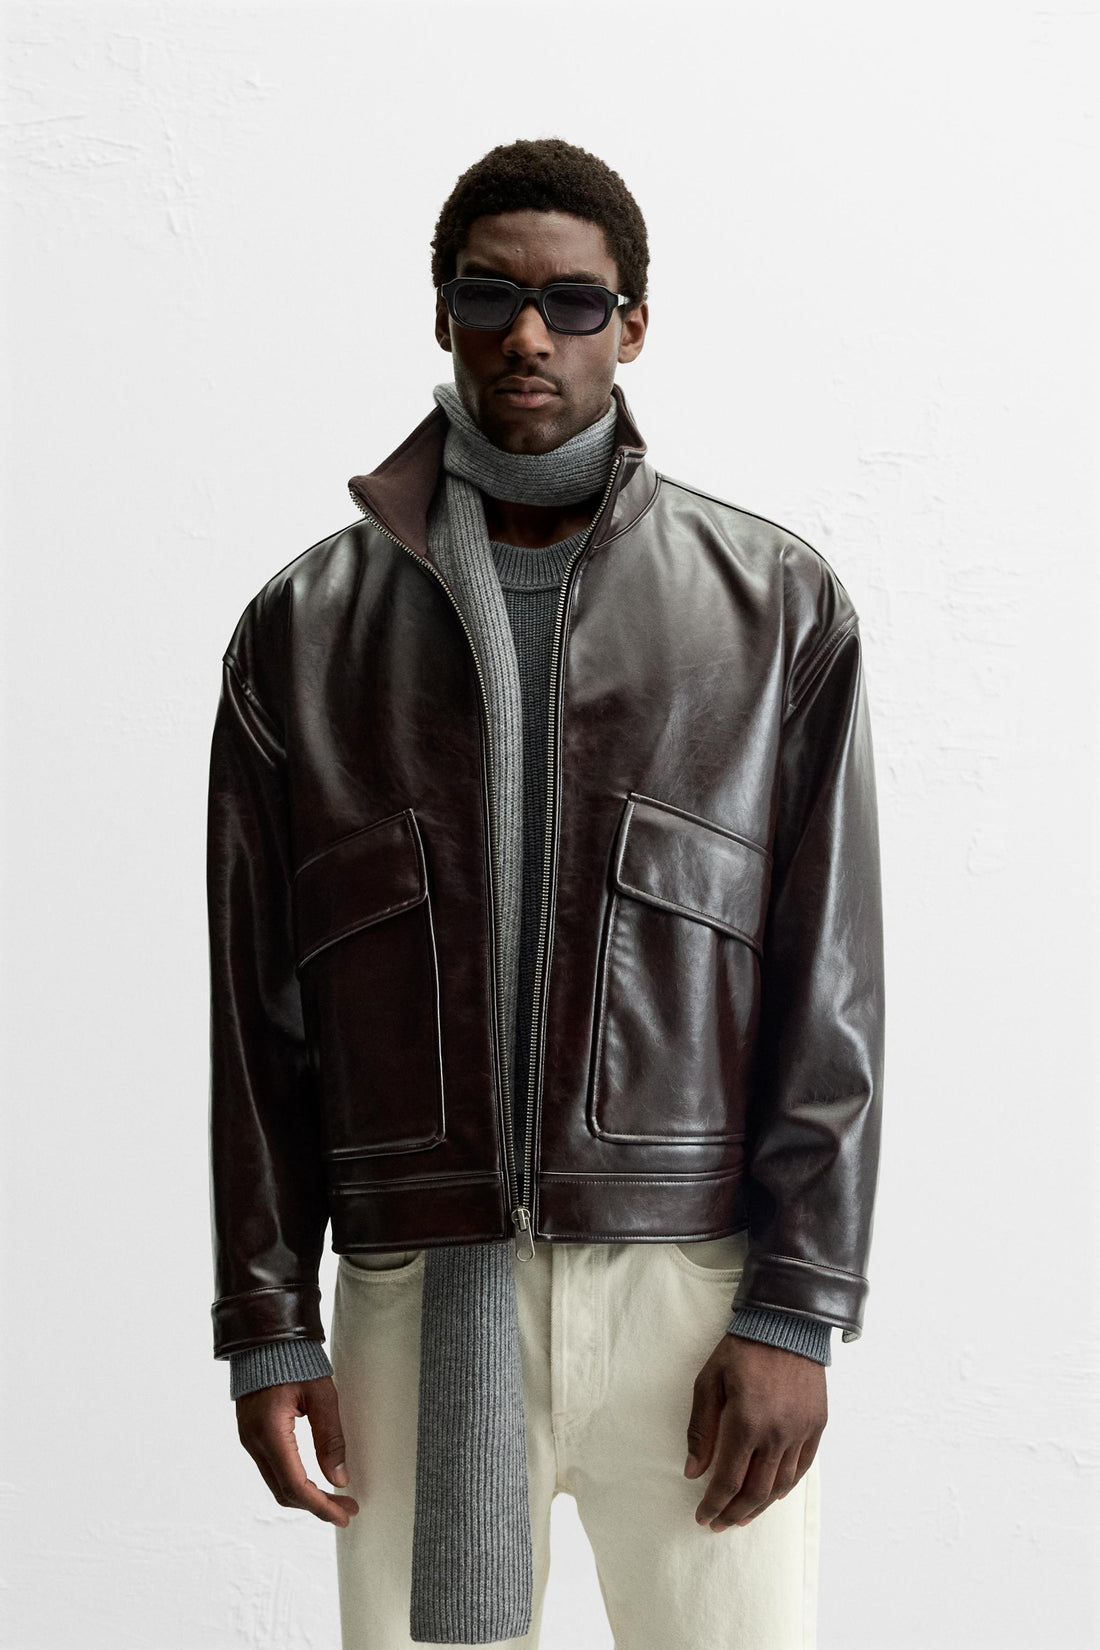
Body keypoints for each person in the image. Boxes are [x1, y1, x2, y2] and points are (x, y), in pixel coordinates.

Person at [206, 137, 885, 1650]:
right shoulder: (303, 632)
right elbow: (257, 1017)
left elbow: (827, 988)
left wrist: (797, 1303)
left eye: (573, 302)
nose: (530, 333)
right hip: (419, 1297)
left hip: (688, 1286)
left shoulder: (773, 609)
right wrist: (267, 1320)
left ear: (630, 326)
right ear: (442, 314)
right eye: (488, 295)